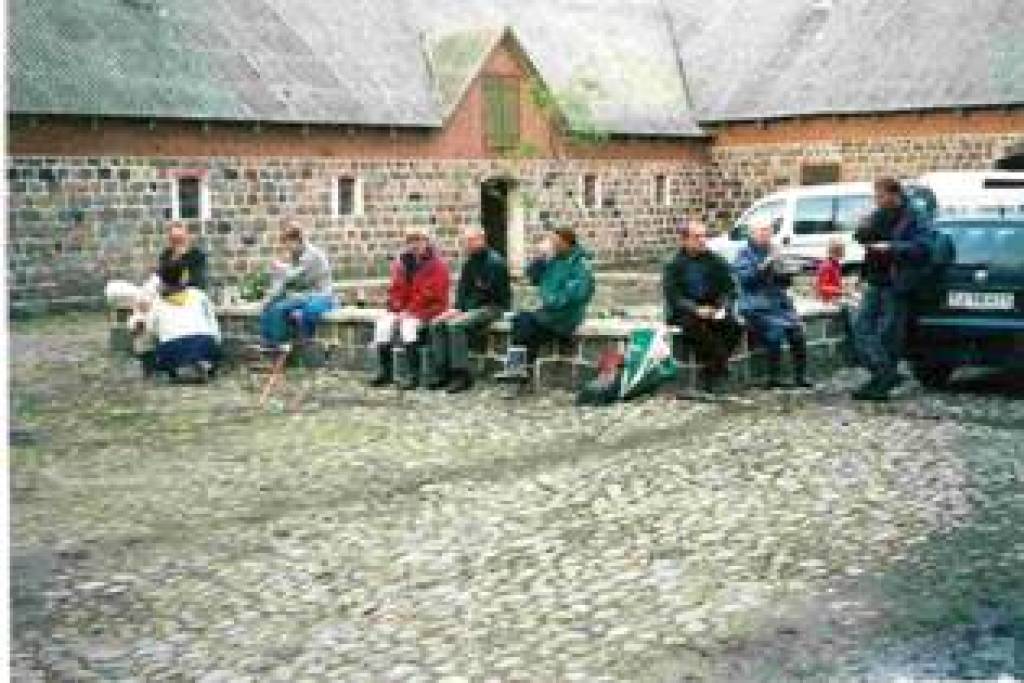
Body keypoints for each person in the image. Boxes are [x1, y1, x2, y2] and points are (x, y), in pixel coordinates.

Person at [851, 176, 932, 401]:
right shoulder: (879, 214)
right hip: (875, 279)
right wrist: (862, 227)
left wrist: (891, 247)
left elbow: (923, 248)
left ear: (894, 195)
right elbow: (861, 237)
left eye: (880, 196)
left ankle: (882, 380)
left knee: (888, 333)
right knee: (861, 328)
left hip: (897, 282)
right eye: (875, 196)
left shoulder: (914, 216)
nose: (876, 200)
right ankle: (884, 372)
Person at [495, 227, 594, 395]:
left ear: (567, 243)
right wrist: (540, 258)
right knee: (523, 326)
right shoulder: (553, 260)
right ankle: (518, 375)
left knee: (523, 324)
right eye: (552, 241)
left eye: (556, 241)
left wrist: (552, 301)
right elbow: (533, 277)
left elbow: (579, 294)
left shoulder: (580, 264)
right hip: (548, 314)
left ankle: (517, 375)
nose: (553, 244)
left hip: (567, 316)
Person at [426, 226, 512, 393]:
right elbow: (463, 289)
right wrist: (457, 308)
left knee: (455, 325)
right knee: (436, 323)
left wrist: (464, 310)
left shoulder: (495, 262)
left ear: (482, 239)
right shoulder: (470, 262)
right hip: (472, 307)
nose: (467, 244)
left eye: (471, 240)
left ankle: (461, 375)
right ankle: (442, 371)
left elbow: (489, 294)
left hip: (493, 307)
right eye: (466, 241)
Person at [663, 219, 742, 396]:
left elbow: (729, 288)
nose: (702, 240)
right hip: (685, 312)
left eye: (704, 236)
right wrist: (695, 309)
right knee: (698, 329)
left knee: (734, 326)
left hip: (712, 308)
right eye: (697, 237)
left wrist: (722, 306)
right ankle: (718, 370)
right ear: (685, 240)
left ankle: (711, 370)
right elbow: (674, 296)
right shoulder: (674, 264)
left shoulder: (715, 260)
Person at [368, 227, 451, 390]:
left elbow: (429, 293)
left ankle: (413, 375)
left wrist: (409, 311)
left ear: (426, 242)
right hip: (406, 309)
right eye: (411, 241)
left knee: (408, 326)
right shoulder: (403, 263)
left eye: (418, 240)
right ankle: (385, 373)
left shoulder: (437, 265)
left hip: (430, 308)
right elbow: (396, 289)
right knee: (382, 324)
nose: (415, 245)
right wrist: (396, 306)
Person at [735, 219, 811, 389]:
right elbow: (746, 279)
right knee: (775, 331)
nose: (766, 234)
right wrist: (767, 263)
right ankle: (773, 377)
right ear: (752, 233)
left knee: (797, 331)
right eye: (762, 230)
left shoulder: (774, 250)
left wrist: (786, 271)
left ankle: (800, 376)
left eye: (768, 230)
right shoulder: (744, 254)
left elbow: (784, 282)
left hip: (777, 302)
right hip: (755, 304)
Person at [134, 260, 221, 382]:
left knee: (142, 332)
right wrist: (216, 345)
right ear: (183, 278)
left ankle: (156, 368)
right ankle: (202, 363)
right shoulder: (199, 294)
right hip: (206, 344)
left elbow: (150, 330)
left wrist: (140, 319)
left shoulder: (157, 302)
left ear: (162, 281)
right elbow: (212, 322)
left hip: (173, 348)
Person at [258, 220, 336, 349]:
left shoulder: (311, 255)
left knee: (281, 308)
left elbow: (291, 277)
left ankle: (280, 343)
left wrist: (280, 268)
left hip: (321, 295)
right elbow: (285, 283)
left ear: (297, 240)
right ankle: (268, 341)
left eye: (288, 243)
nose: (286, 248)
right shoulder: (296, 255)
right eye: (284, 243)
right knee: (271, 307)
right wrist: (268, 300)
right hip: (305, 295)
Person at [159, 221, 208, 291]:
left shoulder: (197, 256)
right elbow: (162, 278)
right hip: (170, 293)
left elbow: (196, 281)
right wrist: (175, 258)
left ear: (187, 237)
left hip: (191, 293)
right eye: (174, 239)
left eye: (180, 238)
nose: (177, 242)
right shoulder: (166, 255)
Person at [815, 238, 845, 303]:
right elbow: (821, 287)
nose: (843, 253)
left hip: (834, 298)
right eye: (841, 250)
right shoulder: (827, 266)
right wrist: (839, 290)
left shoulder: (836, 265)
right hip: (827, 300)